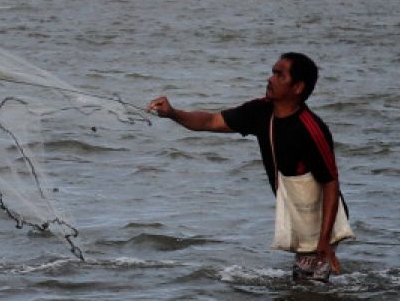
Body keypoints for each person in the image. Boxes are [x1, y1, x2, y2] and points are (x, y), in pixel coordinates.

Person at [146, 53, 350, 282]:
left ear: (298, 87)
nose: (270, 79)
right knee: (303, 288)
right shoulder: (260, 111)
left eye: (279, 75)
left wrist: (324, 241)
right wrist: (173, 113)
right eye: (272, 72)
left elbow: (331, 183)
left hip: (321, 218)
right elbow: (210, 121)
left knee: (309, 289)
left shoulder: (311, 129)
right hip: (297, 211)